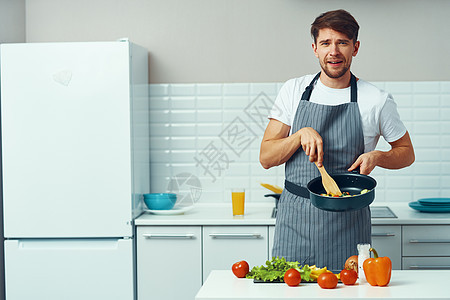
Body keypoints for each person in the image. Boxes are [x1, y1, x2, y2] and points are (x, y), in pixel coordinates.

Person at [259, 9, 415, 270]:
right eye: (326, 43)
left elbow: (406, 152)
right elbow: (266, 157)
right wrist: (299, 135)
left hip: (348, 221)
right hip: (295, 219)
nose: (334, 51)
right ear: (315, 48)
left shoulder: (376, 99)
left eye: (342, 42)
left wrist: (378, 156)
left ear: (355, 47)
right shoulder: (293, 91)